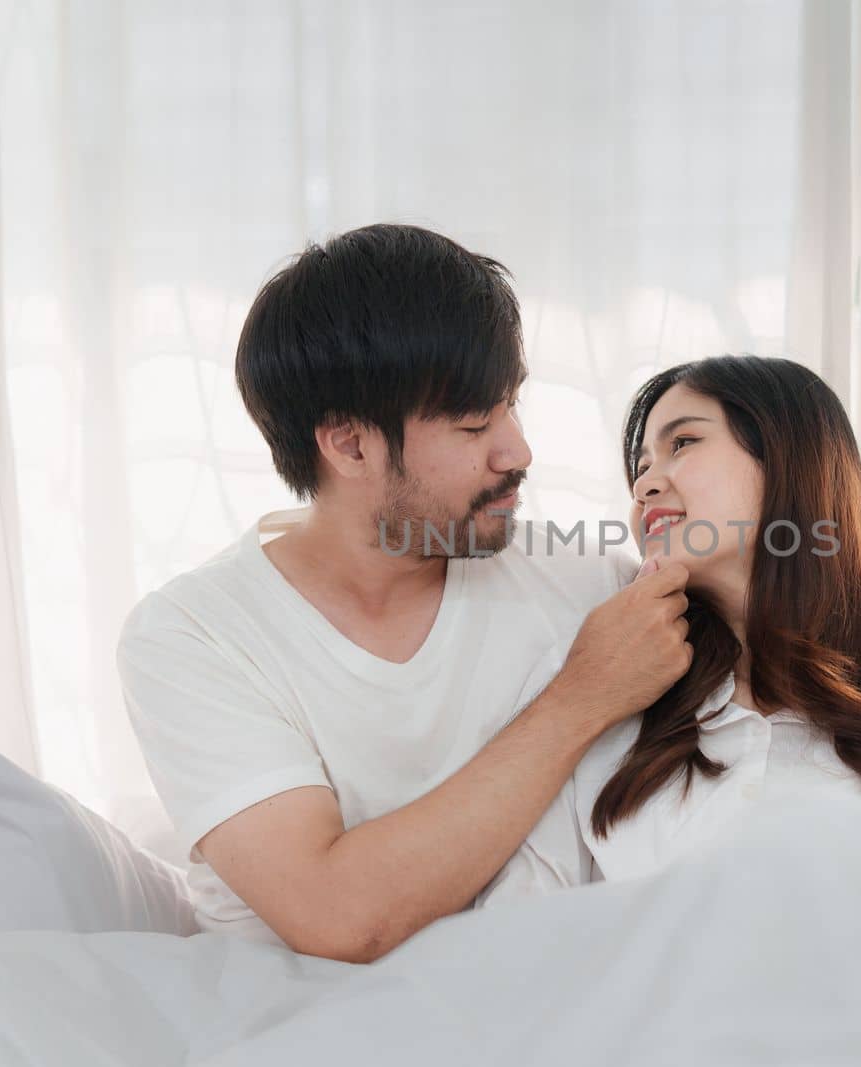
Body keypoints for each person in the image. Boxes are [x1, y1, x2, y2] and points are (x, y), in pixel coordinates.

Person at [116, 224, 694, 962]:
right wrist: (583, 695)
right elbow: (338, 917)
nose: (517, 451)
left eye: (511, 406)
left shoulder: (583, 583)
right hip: (287, 1025)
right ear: (349, 444)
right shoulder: (193, 635)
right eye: (473, 424)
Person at [482, 355, 861, 928]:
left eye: (682, 443)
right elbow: (523, 941)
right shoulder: (604, 716)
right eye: (640, 465)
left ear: (792, 461)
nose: (645, 485)